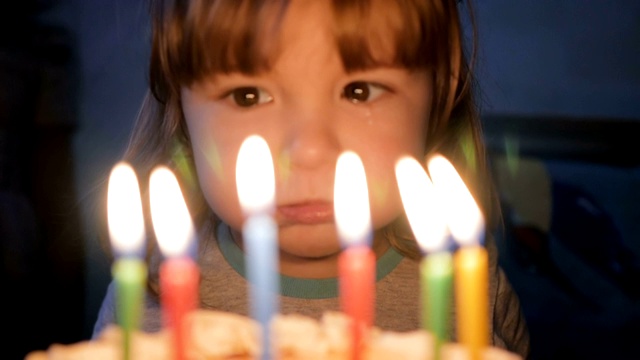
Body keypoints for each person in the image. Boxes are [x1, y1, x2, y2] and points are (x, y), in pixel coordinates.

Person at [93, 0, 530, 357]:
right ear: (181, 107)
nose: (310, 150)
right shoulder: (146, 297)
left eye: (359, 90)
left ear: (442, 82)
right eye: (247, 96)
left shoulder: (470, 286)